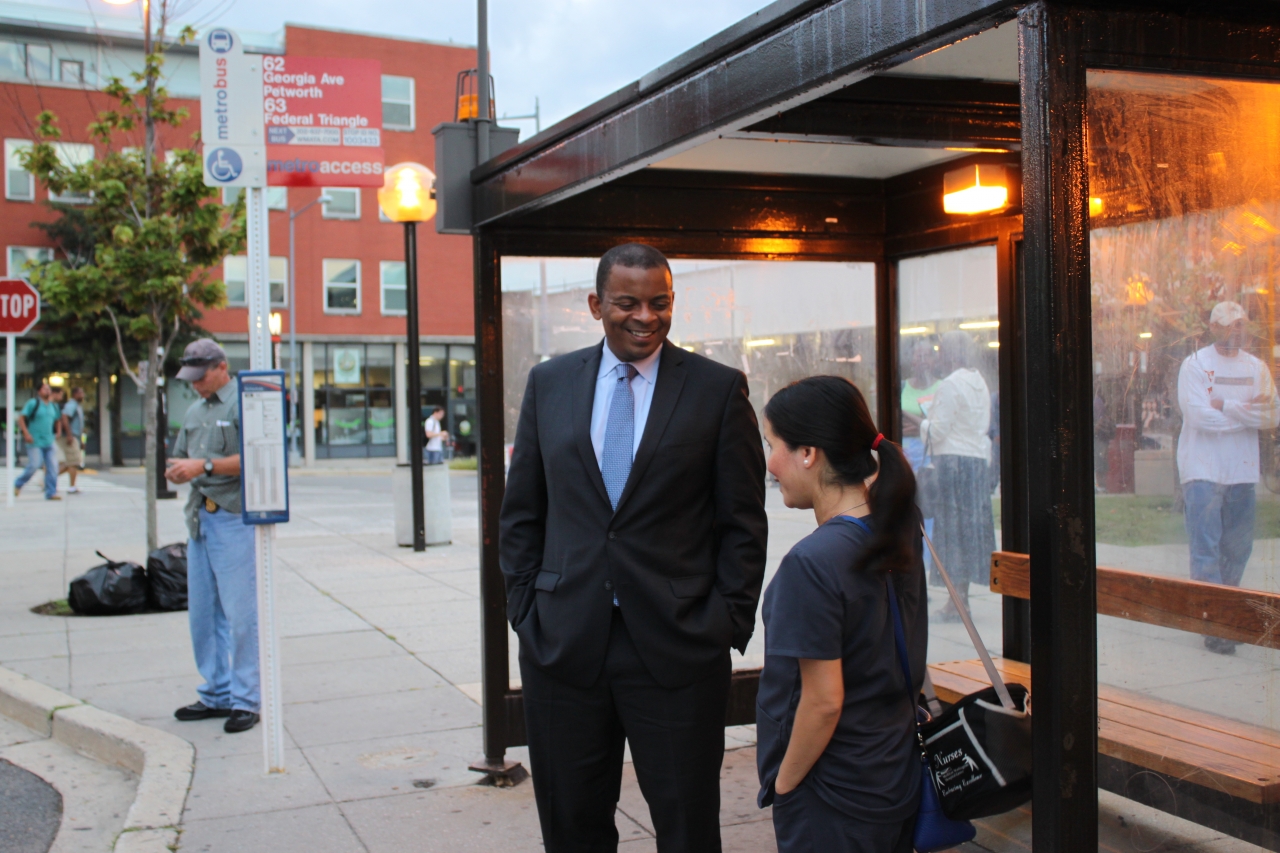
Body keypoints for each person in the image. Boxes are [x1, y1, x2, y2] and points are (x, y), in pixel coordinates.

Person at [500, 242, 768, 852]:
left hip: (677, 649)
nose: (645, 317)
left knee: (687, 827)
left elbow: (743, 524)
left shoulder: (717, 390)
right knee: (571, 827)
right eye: (627, 303)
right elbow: (522, 515)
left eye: (659, 303)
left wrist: (723, 621)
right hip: (563, 646)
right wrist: (526, 613)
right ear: (596, 305)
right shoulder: (550, 384)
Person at [756, 375, 927, 853]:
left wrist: (785, 785)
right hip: (892, 775)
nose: (770, 463)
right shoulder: (898, 525)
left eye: (773, 444)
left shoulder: (812, 563)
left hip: (833, 794)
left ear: (808, 453)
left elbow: (824, 701)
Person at [164, 339, 260, 733]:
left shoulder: (243, 403)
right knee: (203, 617)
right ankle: (217, 693)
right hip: (199, 522)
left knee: (241, 616)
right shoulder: (194, 410)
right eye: (191, 378)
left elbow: (258, 456)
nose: (196, 385)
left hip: (233, 518)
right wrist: (177, 470)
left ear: (221, 367)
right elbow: (182, 454)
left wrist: (202, 465)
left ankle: (246, 699)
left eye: (200, 377)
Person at [1176, 300, 1280, 655]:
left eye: (1242, 325)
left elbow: (1272, 414)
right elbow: (1200, 417)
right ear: (1215, 328)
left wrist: (1229, 407)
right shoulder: (1196, 365)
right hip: (1202, 471)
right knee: (1206, 550)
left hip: (1241, 473)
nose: (1238, 331)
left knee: (1237, 549)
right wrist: (1245, 416)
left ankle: (1226, 616)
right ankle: (1215, 623)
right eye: (1230, 325)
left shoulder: (1256, 368)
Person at [921, 330, 995, 620]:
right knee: (969, 534)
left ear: (952, 354)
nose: (939, 356)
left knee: (952, 536)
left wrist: (924, 422)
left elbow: (938, 430)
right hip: (976, 465)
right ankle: (960, 599)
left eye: (942, 350)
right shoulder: (979, 381)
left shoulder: (950, 385)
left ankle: (957, 603)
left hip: (953, 466)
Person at [14, 383, 60, 500]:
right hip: (35, 441)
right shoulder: (33, 403)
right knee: (34, 465)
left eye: (49, 389)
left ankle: (51, 492)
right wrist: (26, 433)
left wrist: (58, 432)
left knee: (53, 467)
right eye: (45, 389)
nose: (47, 391)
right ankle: (18, 484)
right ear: (39, 391)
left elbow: (57, 419)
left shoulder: (53, 406)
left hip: (49, 441)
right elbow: (21, 418)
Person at [58, 386, 86, 494]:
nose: (82, 395)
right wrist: (69, 435)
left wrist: (82, 441)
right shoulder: (72, 405)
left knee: (71, 462)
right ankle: (72, 486)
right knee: (74, 462)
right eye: (80, 393)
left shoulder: (78, 406)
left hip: (76, 436)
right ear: (74, 394)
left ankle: (48, 478)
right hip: (71, 436)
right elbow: (64, 417)